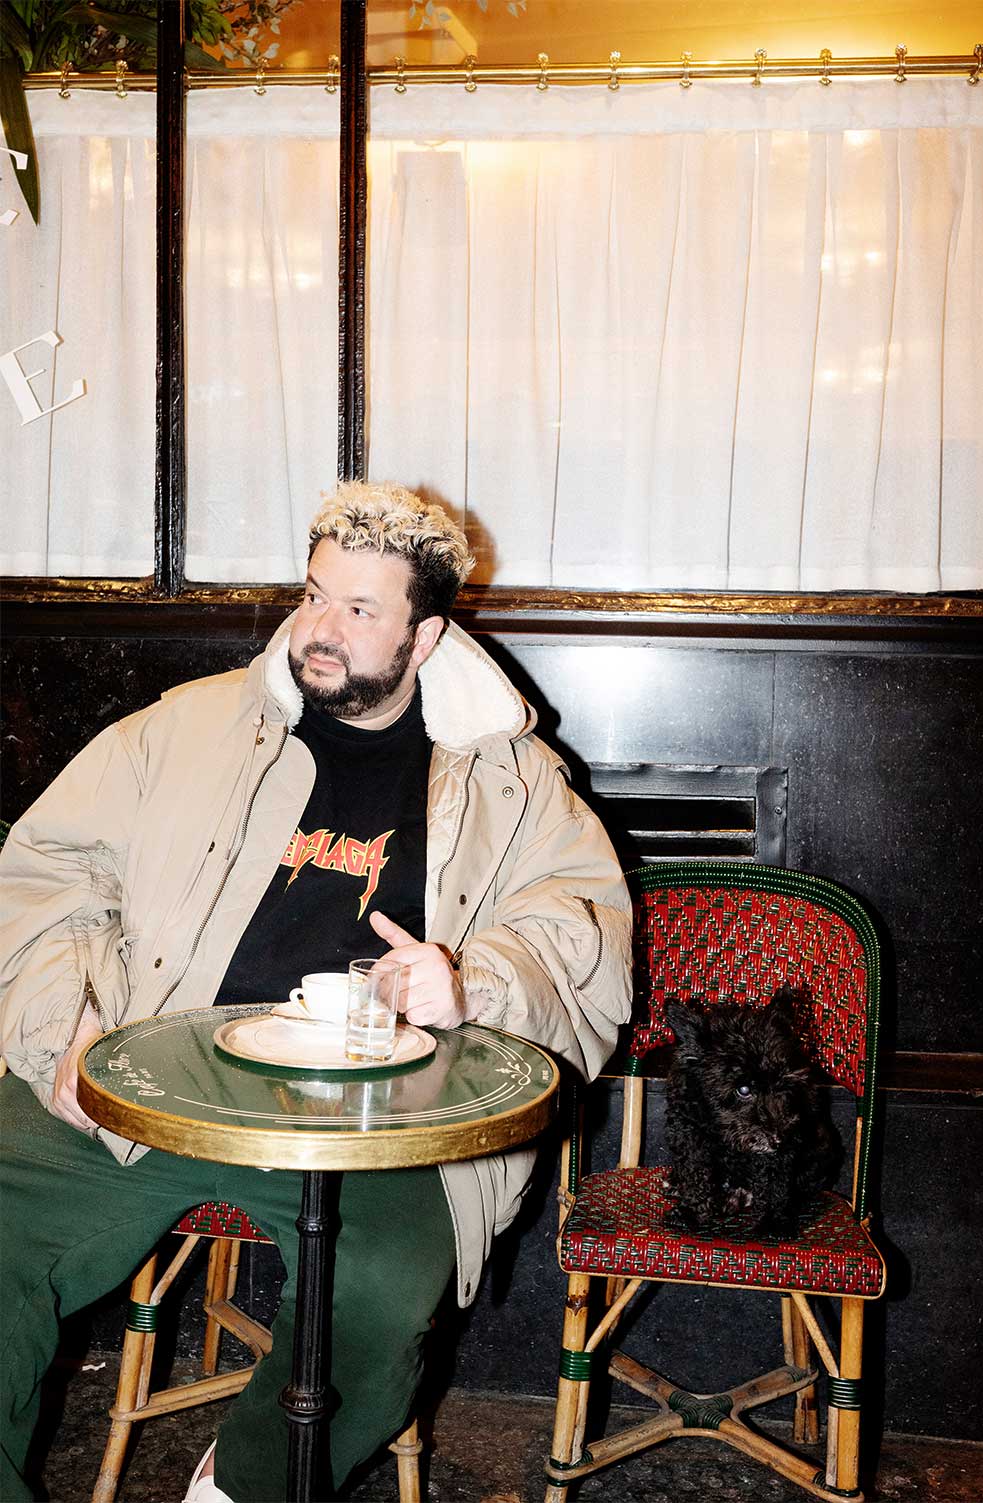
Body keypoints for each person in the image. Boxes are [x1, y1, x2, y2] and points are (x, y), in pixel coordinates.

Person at [0, 482, 632, 1503]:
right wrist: (64, 1028)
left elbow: (583, 934)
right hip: (150, 1072)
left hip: (383, 1114)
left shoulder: (510, 780)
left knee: (378, 1300)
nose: (319, 630)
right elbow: (47, 871)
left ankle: (242, 1486)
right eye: (313, 594)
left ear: (426, 636)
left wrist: (472, 982)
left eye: (361, 609)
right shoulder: (189, 727)